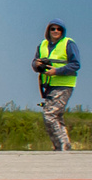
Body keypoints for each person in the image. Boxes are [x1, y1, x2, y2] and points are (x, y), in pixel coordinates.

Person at [34, 21, 80, 152]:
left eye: (58, 29)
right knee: (57, 116)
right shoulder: (42, 45)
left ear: (62, 31)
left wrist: (57, 71)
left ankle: (63, 146)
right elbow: (34, 61)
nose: (55, 31)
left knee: (50, 114)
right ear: (48, 30)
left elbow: (76, 64)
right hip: (48, 85)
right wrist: (37, 65)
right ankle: (61, 146)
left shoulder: (68, 44)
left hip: (64, 84)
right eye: (52, 29)